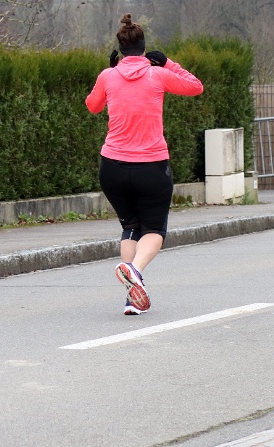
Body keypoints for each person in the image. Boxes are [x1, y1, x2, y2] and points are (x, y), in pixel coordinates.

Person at [85, 14, 203, 315]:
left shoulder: (108, 76)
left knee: (131, 227)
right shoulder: (157, 74)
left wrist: (111, 72)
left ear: (121, 49)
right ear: (144, 48)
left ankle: (132, 298)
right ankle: (135, 270)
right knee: (153, 230)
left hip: (112, 167)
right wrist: (168, 63)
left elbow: (92, 106)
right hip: (151, 167)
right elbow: (195, 86)